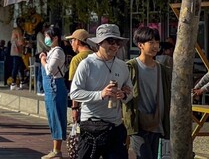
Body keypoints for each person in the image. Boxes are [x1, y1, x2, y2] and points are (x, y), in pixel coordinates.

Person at [70, 24, 132, 159]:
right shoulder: (87, 64)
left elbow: (130, 92)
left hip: (115, 126)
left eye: (118, 42)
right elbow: (74, 93)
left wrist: (124, 94)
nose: (115, 45)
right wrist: (100, 94)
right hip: (92, 126)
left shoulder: (122, 66)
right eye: (111, 41)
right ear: (99, 42)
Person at [123, 26, 171, 159]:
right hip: (138, 124)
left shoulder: (163, 70)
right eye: (151, 43)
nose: (155, 46)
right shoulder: (130, 67)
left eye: (157, 42)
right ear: (140, 45)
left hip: (158, 123)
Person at [39, 26, 68, 159]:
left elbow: (50, 70)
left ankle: (57, 150)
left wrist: (43, 60)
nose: (46, 39)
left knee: (57, 116)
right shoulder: (52, 51)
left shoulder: (58, 52)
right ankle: (55, 148)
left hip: (56, 87)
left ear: (55, 38)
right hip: (49, 89)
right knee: (51, 117)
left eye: (48, 36)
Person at [66, 28, 92, 124]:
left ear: (77, 41)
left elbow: (74, 85)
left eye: (72, 40)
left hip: (82, 103)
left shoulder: (76, 59)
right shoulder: (96, 55)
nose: (71, 43)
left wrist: (74, 107)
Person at [35, 23, 49, 96]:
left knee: (41, 72)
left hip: (42, 52)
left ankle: (40, 89)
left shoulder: (41, 34)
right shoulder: (40, 35)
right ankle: (40, 89)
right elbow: (44, 44)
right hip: (41, 53)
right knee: (41, 72)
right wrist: (50, 48)